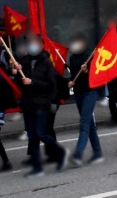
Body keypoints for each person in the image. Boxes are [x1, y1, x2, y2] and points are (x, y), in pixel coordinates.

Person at [19, 35, 66, 176]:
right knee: (32, 136)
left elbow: (50, 85)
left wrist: (32, 82)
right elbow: (20, 83)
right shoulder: (24, 62)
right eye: (29, 44)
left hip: (41, 103)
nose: (32, 46)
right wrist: (16, 72)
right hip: (28, 103)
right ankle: (36, 167)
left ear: (41, 46)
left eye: (35, 43)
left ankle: (60, 151)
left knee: (41, 133)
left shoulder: (46, 63)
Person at [65, 33, 103, 166]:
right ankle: (97, 152)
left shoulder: (90, 56)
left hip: (90, 93)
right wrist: (71, 82)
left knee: (84, 123)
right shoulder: (73, 58)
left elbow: (96, 75)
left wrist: (87, 71)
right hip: (78, 93)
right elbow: (74, 76)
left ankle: (78, 154)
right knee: (90, 124)